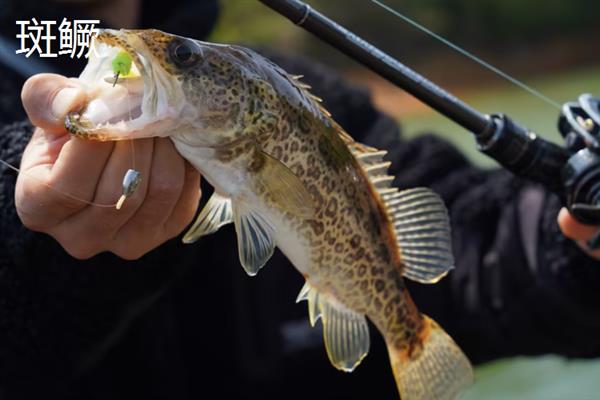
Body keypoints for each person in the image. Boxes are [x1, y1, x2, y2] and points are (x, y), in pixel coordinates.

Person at [1, 0, 599, 398]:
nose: (149, 54)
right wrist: (29, 246)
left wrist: (572, 237)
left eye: (178, 54)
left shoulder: (280, 85)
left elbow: (482, 241)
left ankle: (410, 340)